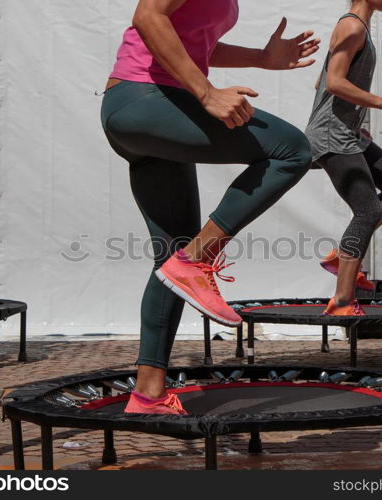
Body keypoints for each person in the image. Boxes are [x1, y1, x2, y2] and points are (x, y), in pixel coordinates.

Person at [102, 0, 320, 414]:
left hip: (146, 111)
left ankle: (148, 392)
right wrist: (205, 92)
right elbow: (148, 16)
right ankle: (197, 259)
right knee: (290, 150)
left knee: (171, 261)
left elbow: (193, 43)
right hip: (146, 100)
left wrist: (261, 58)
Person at [304, 0, 382, 317]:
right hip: (331, 135)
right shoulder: (352, 26)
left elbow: (322, 82)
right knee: (367, 210)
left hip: (346, 132)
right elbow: (334, 81)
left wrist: (355, 122)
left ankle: (339, 259)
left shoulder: (359, 28)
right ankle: (342, 301)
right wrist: (381, 103)